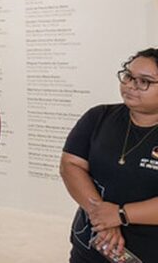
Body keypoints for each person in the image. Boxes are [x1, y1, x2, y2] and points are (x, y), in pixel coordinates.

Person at [60, 48, 158, 263]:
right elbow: (71, 165)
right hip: (93, 244)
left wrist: (121, 214)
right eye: (128, 76)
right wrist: (102, 215)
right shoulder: (99, 117)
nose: (131, 85)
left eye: (144, 81)